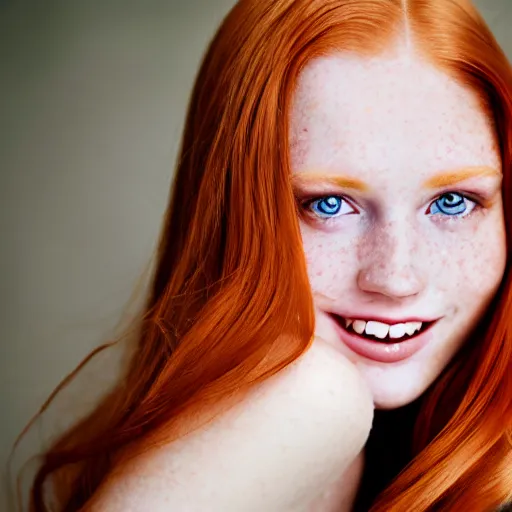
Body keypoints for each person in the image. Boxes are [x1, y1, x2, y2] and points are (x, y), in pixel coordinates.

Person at [18, 0, 512, 510]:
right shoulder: (313, 397)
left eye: (452, 202)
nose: (395, 277)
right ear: (230, 210)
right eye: (329, 204)